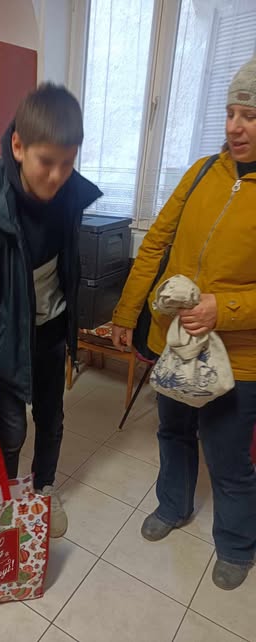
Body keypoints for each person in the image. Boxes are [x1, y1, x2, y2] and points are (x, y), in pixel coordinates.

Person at [112, 56, 256, 590]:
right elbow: (155, 244)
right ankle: (173, 505)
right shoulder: (199, 173)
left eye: (250, 116)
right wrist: (126, 313)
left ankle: (236, 544)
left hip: (239, 356)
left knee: (227, 455)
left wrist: (227, 308)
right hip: (177, 343)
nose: (235, 126)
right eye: (231, 113)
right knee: (172, 431)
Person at [0, 83, 102, 538]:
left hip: (51, 330)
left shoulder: (70, 194)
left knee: (51, 419)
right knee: (12, 426)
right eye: (46, 162)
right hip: (7, 339)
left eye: (67, 163)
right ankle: (7, 495)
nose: (57, 176)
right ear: (18, 146)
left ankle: (44, 489)